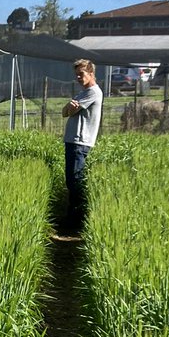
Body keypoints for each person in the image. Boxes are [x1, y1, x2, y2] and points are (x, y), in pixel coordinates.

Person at [61, 58, 103, 232]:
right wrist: (69, 108)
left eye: (82, 74)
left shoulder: (92, 92)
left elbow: (71, 110)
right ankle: (72, 219)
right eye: (77, 74)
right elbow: (64, 112)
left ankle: (75, 222)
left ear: (91, 74)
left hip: (80, 142)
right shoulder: (82, 93)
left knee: (75, 182)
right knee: (72, 181)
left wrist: (69, 108)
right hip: (73, 141)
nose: (78, 77)